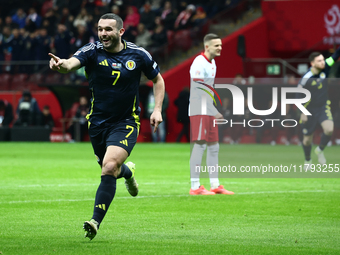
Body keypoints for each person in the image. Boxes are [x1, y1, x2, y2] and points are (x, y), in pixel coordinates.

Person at [48, 13, 165, 240]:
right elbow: (71, 64)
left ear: (121, 32)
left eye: (108, 30)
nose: (103, 34)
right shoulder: (91, 51)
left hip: (126, 122)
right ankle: (128, 173)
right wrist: (61, 65)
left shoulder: (138, 55)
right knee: (110, 167)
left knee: (109, 166)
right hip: (98, 124)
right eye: (100, 29)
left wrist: (157, 109)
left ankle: (94, 221)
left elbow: (158, 79)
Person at [189, 33, 234, 195]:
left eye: (221, 45)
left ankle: (215, 184)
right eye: (217, 46)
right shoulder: (199, 63)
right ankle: (195, 187)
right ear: (207, 46)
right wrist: (213, 111)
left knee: (214, 146)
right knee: (200, 145)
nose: (220, 48)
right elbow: (200, 89)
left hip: (208, 109)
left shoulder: (213, 63)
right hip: (198, 109)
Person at [298, 48, 340, 169]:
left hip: (322, 107)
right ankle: (308, 160)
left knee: (329, 129)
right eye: (320, 61)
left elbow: (336, 54)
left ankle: (320, 150)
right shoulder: (306, 78)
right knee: (307, 140)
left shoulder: (325, 67)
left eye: (323, 60)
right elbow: (298, 96)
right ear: (313, 63)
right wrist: (302, 112)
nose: (323, 62)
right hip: (308, 109)